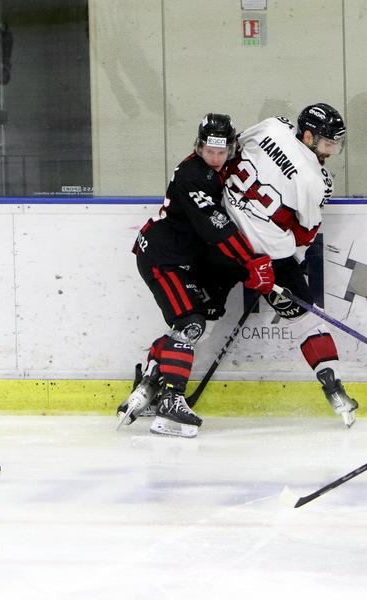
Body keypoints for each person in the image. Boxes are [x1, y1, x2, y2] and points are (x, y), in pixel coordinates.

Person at [117, 113, 276, 438]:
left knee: (195, 325)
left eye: (221, 152)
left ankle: (150, 382)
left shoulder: (220, 169)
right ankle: (171, 403)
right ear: (199, 147)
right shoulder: (192, 175)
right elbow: (217, 228)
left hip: (182, 260)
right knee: (191, 324)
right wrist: (251, 262)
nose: (215, 158)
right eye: (209, 151)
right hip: (163, 258)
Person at [221, 102, 358, 427]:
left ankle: (157, 381)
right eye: (328, 143)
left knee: (198, 315)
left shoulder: (271, 126)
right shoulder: (315, 181)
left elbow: (232, 149)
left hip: (221, 236)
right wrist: (294, 259)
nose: (332, 151)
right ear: (308, 136)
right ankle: (335, 391)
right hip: (267, 257)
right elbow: (305, 232)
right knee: (308, 322)